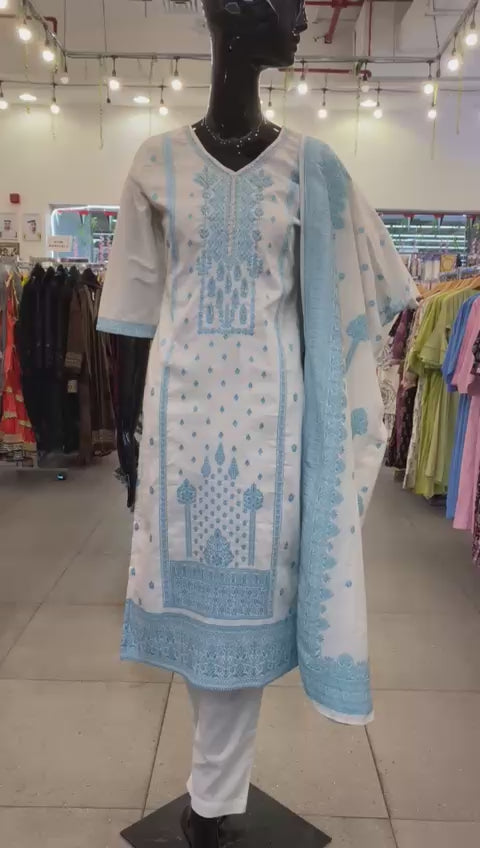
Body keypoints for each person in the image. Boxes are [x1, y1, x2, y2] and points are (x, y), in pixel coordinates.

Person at [97, 2, 418, 845]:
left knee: (250, 612)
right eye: (285, 3)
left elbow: (369, 290)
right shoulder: (155, 161)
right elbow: (131, 320)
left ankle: (213, 797)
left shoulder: (313, 167)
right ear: (233, 14)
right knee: (196, 611)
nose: (304, 19)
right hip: (179, 422)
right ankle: (212, 797)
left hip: (273, 433)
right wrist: (129, 442)